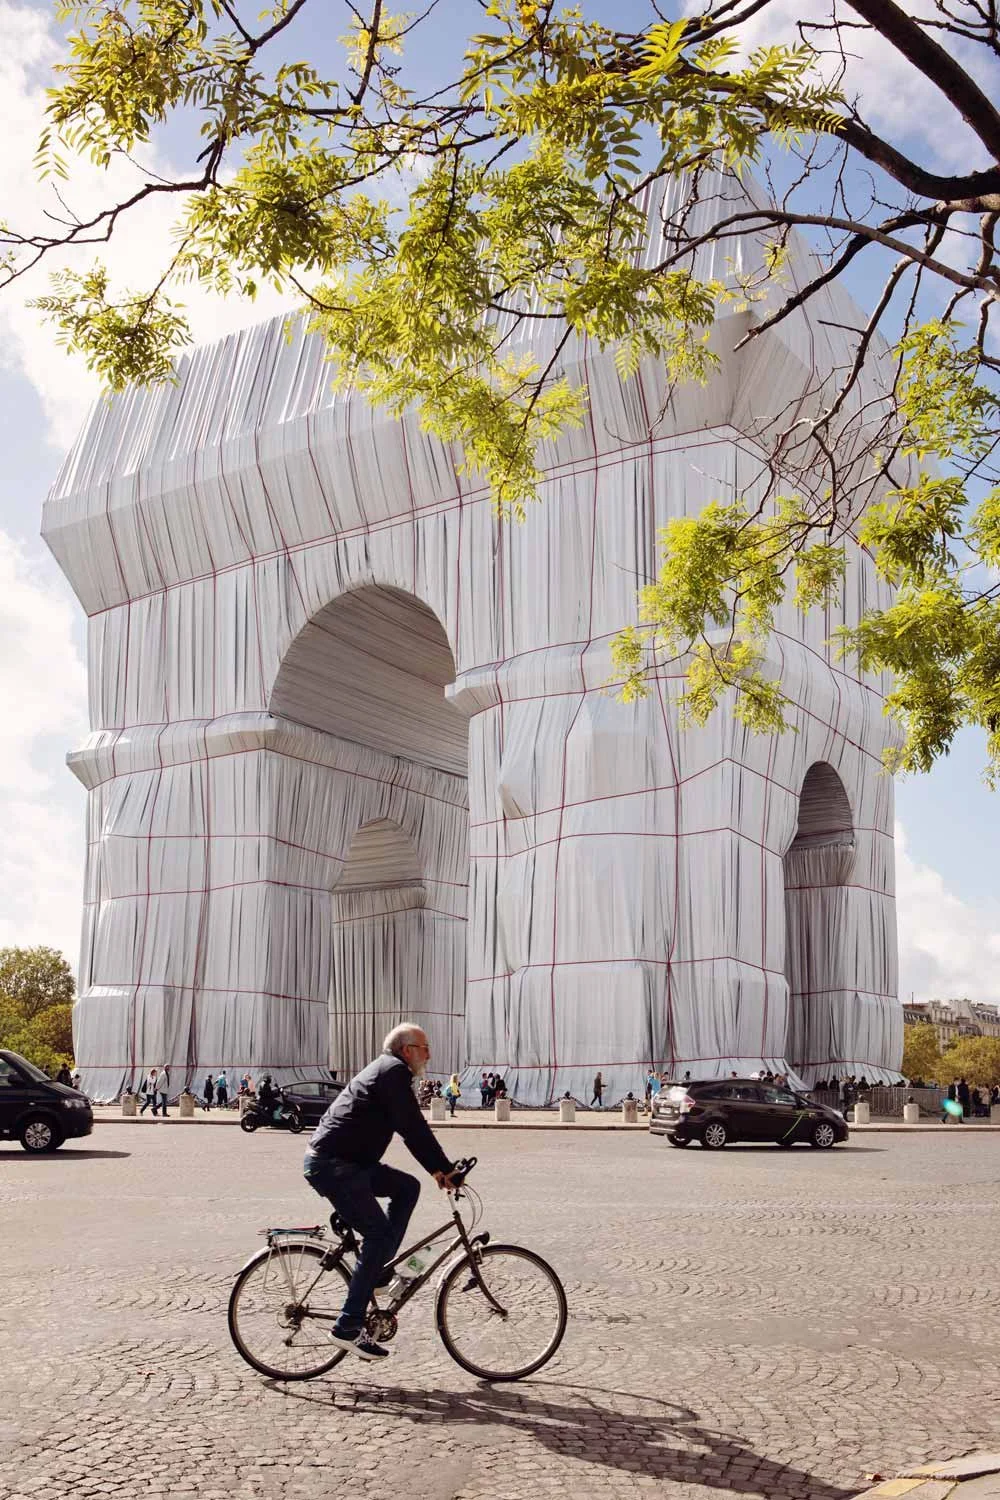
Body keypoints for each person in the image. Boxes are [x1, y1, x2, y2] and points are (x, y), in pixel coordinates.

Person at [303, 1023, 458, 1361]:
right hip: (335, 1165)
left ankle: (377, 1270)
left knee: (407, 1188)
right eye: (424, 1046)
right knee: (376, 1234)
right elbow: (412, 1127)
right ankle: (347, 1326)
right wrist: (444, 1168)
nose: (429, 1054)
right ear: (407, 1050)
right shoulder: (393, 1072)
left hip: (350, 1163)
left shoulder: (387, 1070)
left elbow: (410, 1127)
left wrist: (436, 1170)